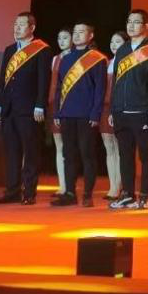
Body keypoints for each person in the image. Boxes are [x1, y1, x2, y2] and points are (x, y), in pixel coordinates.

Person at [108, 10, 148, 210]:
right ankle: (127, 194)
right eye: (129, 21)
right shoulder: (122, 50)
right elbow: (116, 81)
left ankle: (144, 196)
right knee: (125, 155)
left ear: (146, 26)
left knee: (145, 155)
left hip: (142, 112)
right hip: (121, 112)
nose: (131, 26)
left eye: (136, 22)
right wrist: (113, 109)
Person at [0, 13, 51, 205]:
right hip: (9, 108)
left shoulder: (41, 50)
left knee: (31, 151)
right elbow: (3, 79)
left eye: (21, 25)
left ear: (32, 28)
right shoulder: (10, 49)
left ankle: (29, 192)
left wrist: (40, 104)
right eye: (15, 24)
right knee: (12, 151)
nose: (16, 28)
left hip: (29, 109)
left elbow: (44, 80)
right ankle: (12, 191)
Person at [52, 23, 107, 207]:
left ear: (90, 36)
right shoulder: (66, 59)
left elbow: (100, 89)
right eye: (74, 32)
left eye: (81, 32)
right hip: (67, 113)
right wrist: (57, 112)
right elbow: (59, 88)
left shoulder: (97, 59)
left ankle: (87, 194)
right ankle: (69, 193)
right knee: (68, 154)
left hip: (86, 115)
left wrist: (95, 113)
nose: (76, 35)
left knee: (87, 154)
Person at [48, 28, 72, 196]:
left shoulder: (78, 58)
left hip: (72, 105)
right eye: (59, 38)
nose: (61, 41)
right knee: (59, 146)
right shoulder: (55, 59)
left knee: (71, 147)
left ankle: (70, 185)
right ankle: (62, 185)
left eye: (65, 37)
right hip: (55, 105)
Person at [101, 32, 125, 201]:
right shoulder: (107, 63)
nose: (114, 44)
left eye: (118, 41)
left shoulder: (126, 63)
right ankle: (112, 186)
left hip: (119, 108)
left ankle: (120, 185)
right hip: (105, 108)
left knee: (119, 147)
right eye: (112, 41)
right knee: (109, 147)